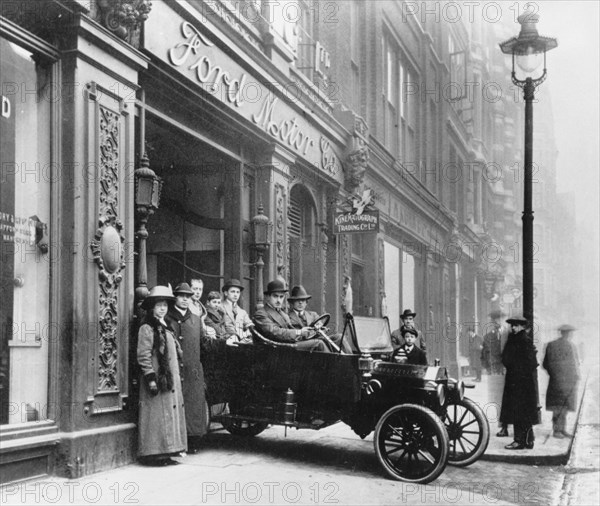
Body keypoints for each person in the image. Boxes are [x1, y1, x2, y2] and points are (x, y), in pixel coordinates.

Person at [136, 285, 186, 466]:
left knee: (169, 416)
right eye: (159, 305)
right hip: (157, 379)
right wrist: (151, 378)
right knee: (156, 417)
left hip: (169, 379)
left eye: (165, 305)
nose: (162, 308)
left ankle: (167, 452)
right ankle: (153, 455)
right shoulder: (147, 327)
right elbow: (143, 355)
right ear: (152, 308)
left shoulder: (168, 326)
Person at [166, 283, 210, 454]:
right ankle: (176, 442)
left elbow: (203, 344)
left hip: (193, 370)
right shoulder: (168, 318)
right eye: (181, 296)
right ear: (175, 297)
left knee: (193, 405)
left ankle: (193, 440)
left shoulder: (196, 319)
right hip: (175, 368)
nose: (185, 299)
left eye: (188, 296)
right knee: (175, 404)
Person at [253, 279, 329, 352]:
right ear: (267, 297)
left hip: (287, 345)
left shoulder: (282, 313)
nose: (279, 300)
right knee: (318, 344)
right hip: (275, 349)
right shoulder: (261, 314)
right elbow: (275, 332)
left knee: (337, 338)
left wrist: (308, 332)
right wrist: (299, 332)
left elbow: (291, 329)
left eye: (281, 297)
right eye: (275, 296)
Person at [500, 314, 540, 450]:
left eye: (516, 325)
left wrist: (515, 368)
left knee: (518, 411)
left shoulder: (518, 340)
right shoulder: (523, 340)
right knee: (525, 412)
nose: (513, 328)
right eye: (512, 325)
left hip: (518, 382)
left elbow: (506, 358)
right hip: (523, 382)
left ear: (522, 326)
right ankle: (529, 440)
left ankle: (519, 441)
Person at [543, 324, 581, 438]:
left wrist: (554, 374)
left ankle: (561, 429)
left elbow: (545, 364)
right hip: (568, 381)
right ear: (568, 333)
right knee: (562, 406)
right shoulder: (571, 345)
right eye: (570, 333)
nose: (571, 335)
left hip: (556, 381)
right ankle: (558, 430)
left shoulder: (551, 345)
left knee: (559, 406)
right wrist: (575, 376)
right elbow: (575, 364)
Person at [221, 279, 254, 344]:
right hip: (225, 341)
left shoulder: (242, 312)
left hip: (241, 342)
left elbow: (250, 326)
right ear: (226, 293)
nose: (235, 295)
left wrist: (248, 335)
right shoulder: (220, 307)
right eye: (233, 292)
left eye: (237, 292)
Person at [482, 310, 506, 375]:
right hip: (494, 369)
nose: (497, 322)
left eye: (499, 319)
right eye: (494, 320)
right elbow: (485, 353)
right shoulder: (487, 336)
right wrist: (486, 367)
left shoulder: (510, 335)